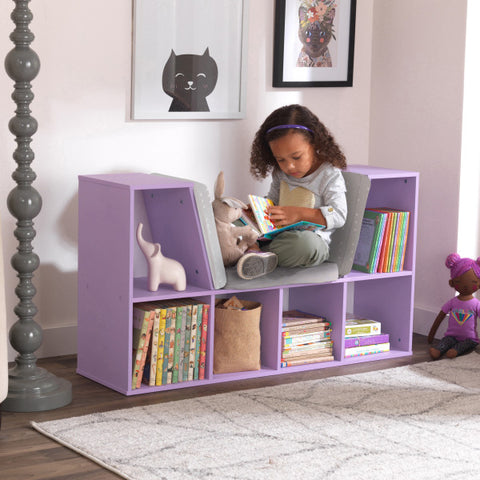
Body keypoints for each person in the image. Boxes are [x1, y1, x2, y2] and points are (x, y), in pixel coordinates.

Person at [237, 104, 347, 280]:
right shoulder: (281, 174)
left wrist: (300, 214)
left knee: (304, 245)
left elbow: (339, 214)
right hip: (277, 237)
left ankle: (252, 253)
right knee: (234, 219)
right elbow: (273, 201)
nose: (289, 166)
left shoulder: (329, 174)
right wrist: (259, 211)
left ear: (315, 143)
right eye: (280, 160)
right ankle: (255, 253)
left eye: (296, 157)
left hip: (310, 243)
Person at [428, 253, 480, 360]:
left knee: (465, 344)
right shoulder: (452, 302)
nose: (465, 285)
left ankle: (455, 351)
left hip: (470, 339)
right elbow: (440, 317)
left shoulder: (476, 304)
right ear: (453, 283)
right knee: (446, 341)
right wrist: (431, 335)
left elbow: (440, 317)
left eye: (473, 282)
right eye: (459, 282)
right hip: (451, 336)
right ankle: (438, 350)